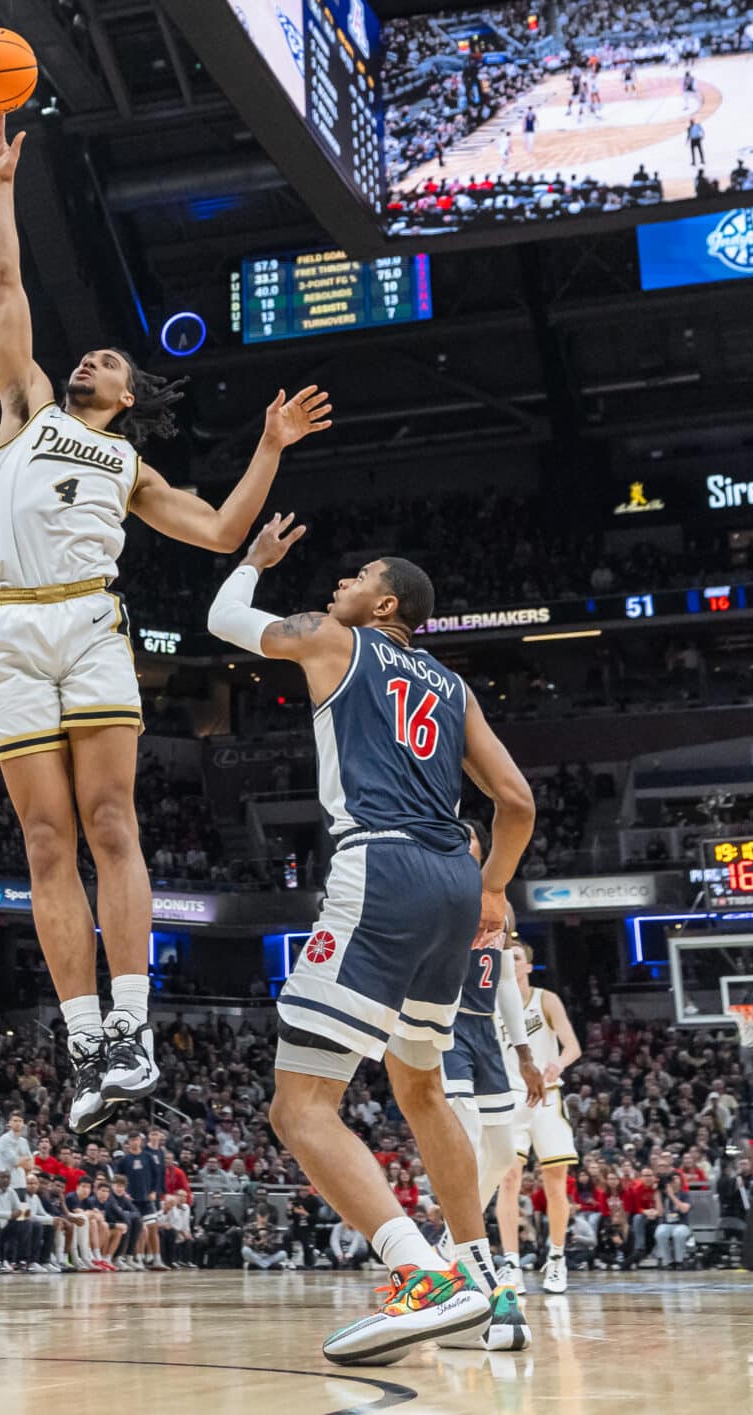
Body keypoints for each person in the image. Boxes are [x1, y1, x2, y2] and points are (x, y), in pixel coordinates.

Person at [0, 110, 332, 1134]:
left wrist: (266, 446)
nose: (92, 360)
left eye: (111, 360)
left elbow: (217, 532)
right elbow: (5, 288)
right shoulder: (25, 411)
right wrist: (0, 184)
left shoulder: (129, 465)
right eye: (90, 355)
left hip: (88, 625)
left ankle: (133, 1022)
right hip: (14, 631)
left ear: (131, 394)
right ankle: (86, 1041)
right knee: (42, 841)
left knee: (111, 823)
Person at [206, 514, 540, 1365]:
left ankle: (422, 1276)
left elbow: (223, 620)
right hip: (455, 886)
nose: (336, 584)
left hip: (381, 867)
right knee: (420, 1088)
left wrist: (252, 560)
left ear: (384, 599)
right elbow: (517, 800)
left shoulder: (330, 638)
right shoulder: (454, 688)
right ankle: (487, 1278)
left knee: (298, 1106)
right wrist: (495, 884)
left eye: (354, 575)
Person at [438, 849, 539, 1310]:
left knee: (501, 1154)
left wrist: (524, 1055)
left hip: (485, 1035)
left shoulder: (496, 905)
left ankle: (449, 1238)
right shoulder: (439, 902)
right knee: (468, 1134)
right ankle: (469, 1257)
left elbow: (504, 990)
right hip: (446, 1028)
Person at [496, 939, 583, 1294]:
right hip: (510, 1098)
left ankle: (557, 1258)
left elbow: (573, 1046)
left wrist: (557, 1064)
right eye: (507, 959)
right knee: (508, 1180)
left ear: (528, 966)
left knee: (555, 1181)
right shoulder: (492, 1002)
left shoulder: (545, 999)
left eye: (517, 958)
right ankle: (511, 1264)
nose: (512, 962)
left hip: (547, 1097)